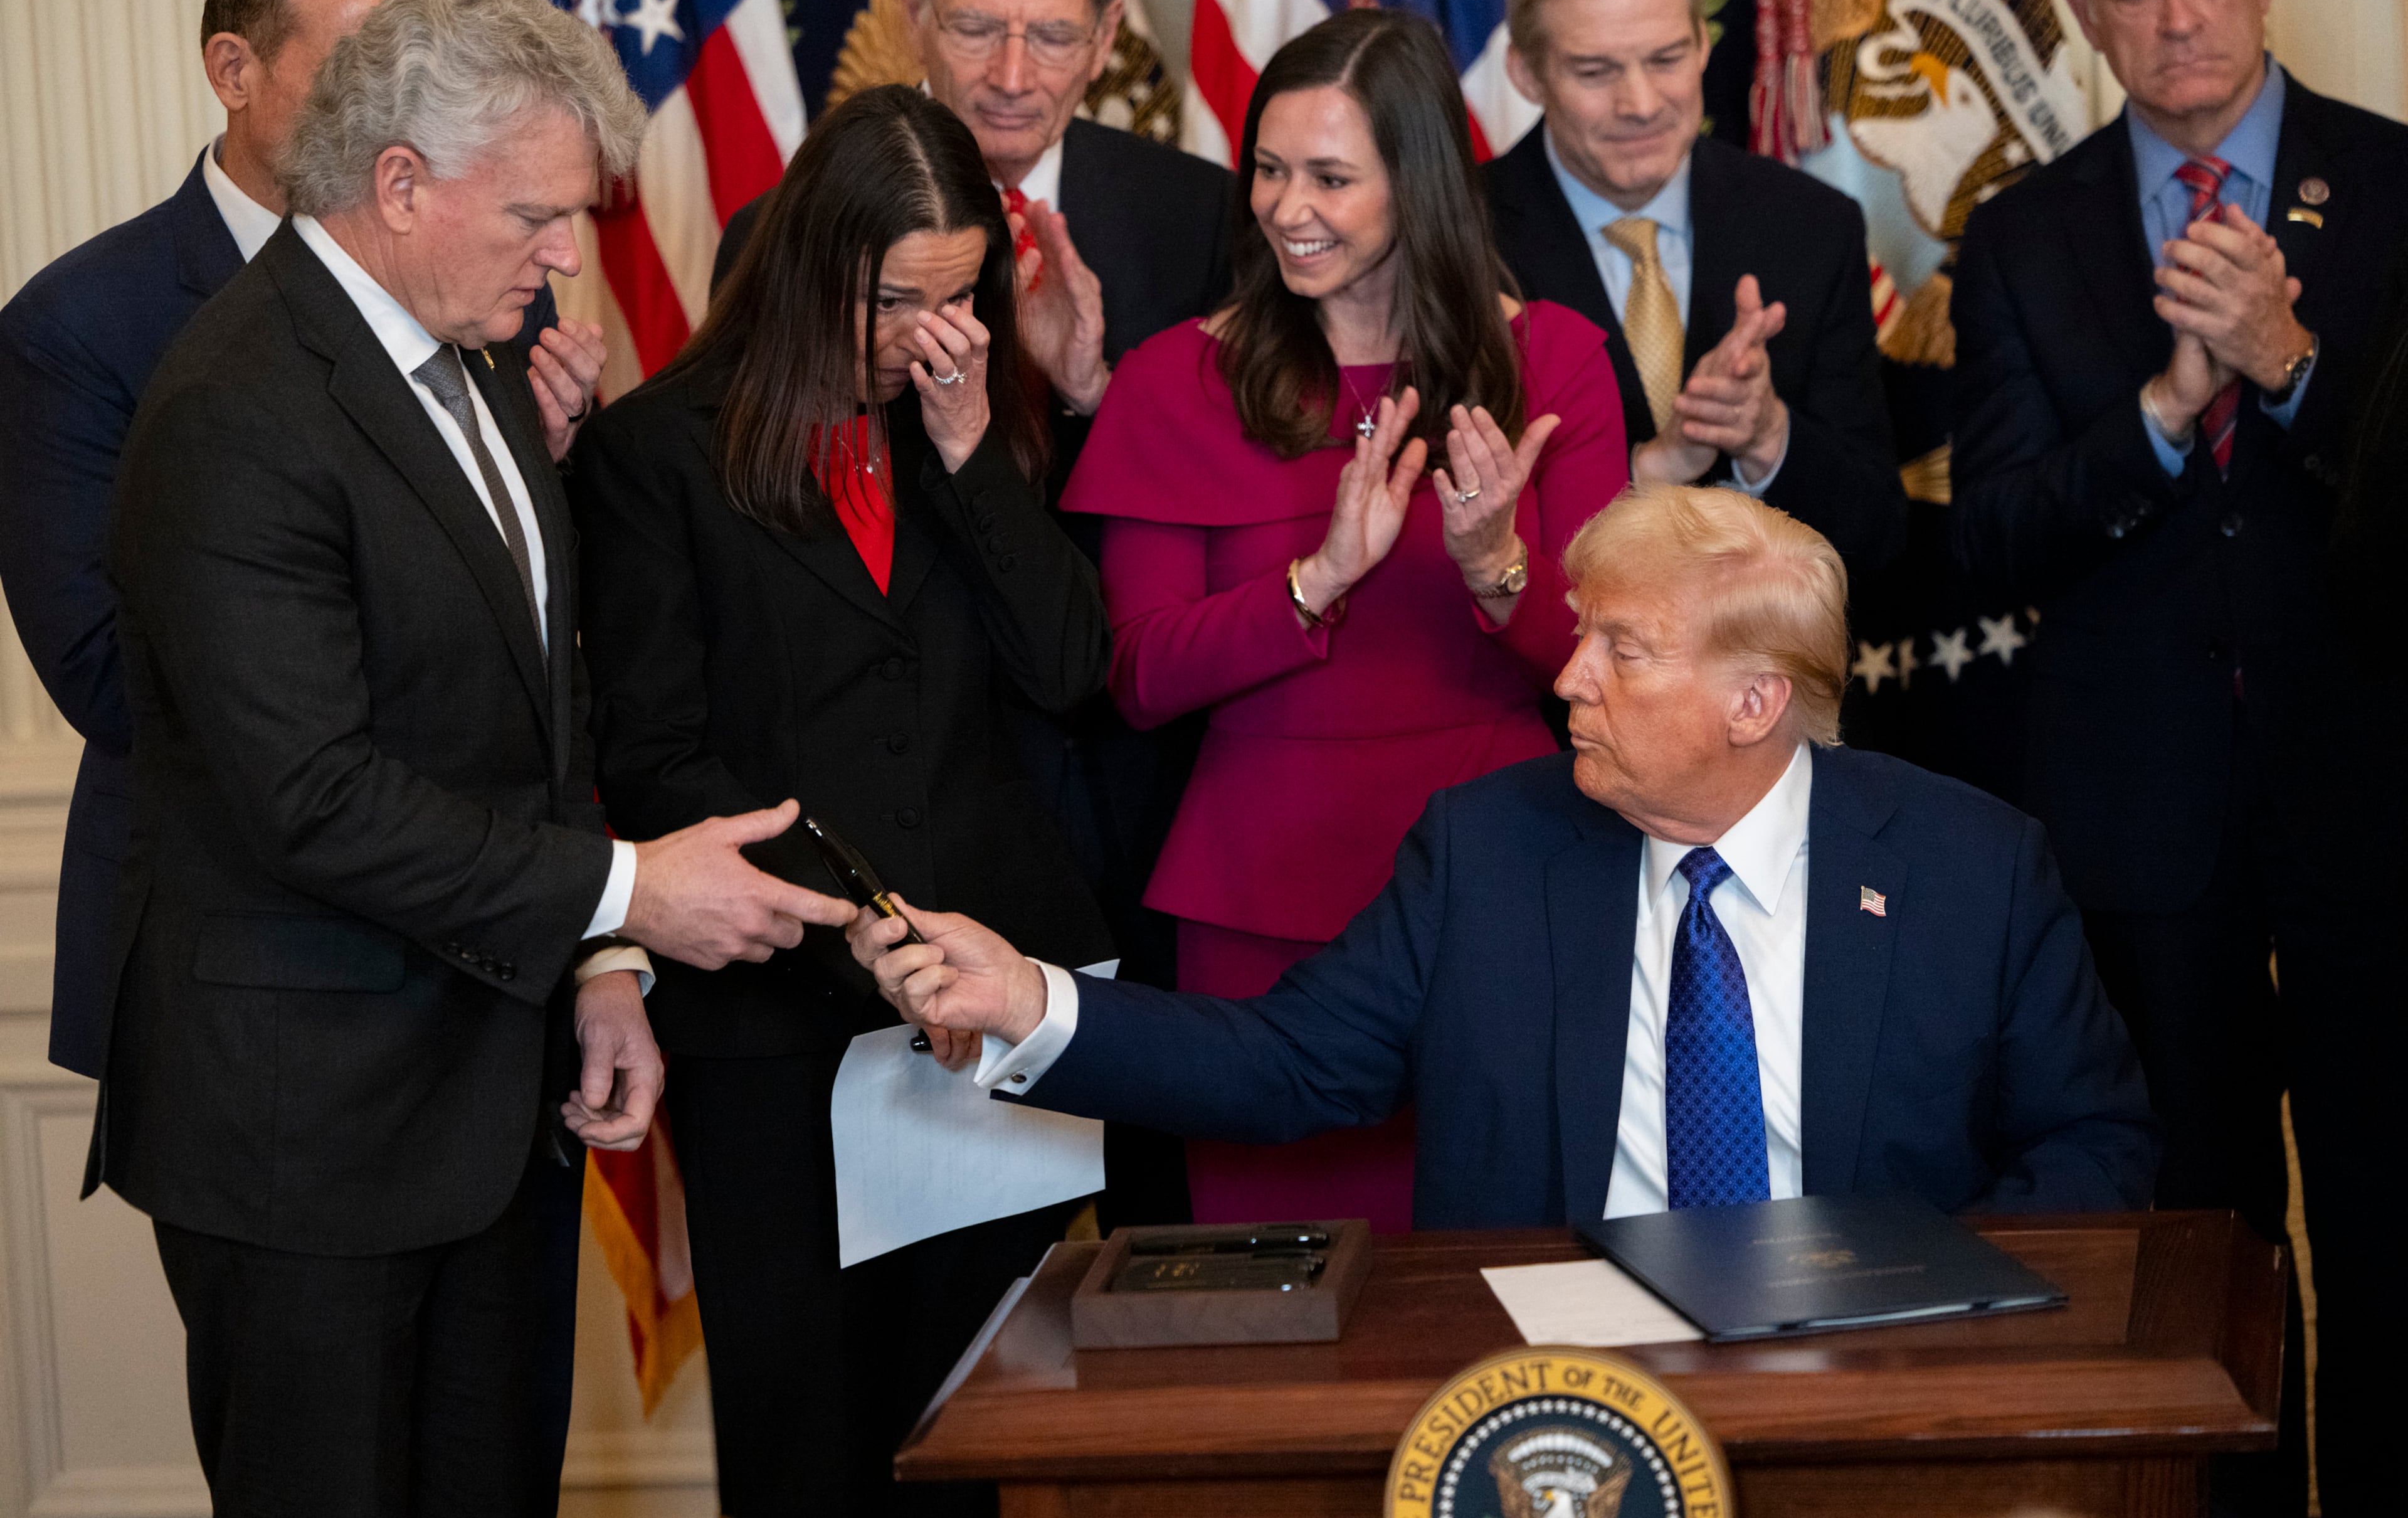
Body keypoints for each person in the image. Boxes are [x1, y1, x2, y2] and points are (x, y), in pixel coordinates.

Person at [93, 0, 847, 1518]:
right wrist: (631, 893)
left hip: (494, 1106)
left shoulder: (485, 368)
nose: (570, 256)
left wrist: (599, 969)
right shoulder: (235, 403)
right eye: (539, 217)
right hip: (306, 1140)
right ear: (399, 183)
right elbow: (312, 794)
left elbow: (541, 713)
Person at [850, 486, 2159, 1228]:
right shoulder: (1486, 845)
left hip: (1871, 1375)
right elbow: (1290, 1060)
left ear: (1755, 701)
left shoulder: (1970, 867)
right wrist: (1033, 997)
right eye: (1582, 635)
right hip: (1547, 1388)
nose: (1571, 676)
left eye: (1623, 650)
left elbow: (2095, 1139)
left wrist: (1944, 1301)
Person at [570, 85, 1114, 1518]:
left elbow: (1068, 669)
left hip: (992, 1009)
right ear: (816, 265)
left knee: (996, 1433)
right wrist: (861, 929)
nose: (928, 332)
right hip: (782, 1028)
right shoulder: (656, 454)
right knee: (811, 1437)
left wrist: (967, 444)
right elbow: (660, 753)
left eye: (958, 298)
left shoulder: (960, 416)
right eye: (896, 302)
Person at [1950, 0, 2408, 1518]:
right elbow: (1992, 529)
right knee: (2192, 1248)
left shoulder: (2397, 186)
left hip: (2369, 813)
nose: (2175, 17)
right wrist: (2157, 414)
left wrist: (2284, 365)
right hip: (2142, 830)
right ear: (2079, 10)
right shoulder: (2018, 235)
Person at [0, 0, 606, 1084]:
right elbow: (104, 671)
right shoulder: (77, 329)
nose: (403, 95)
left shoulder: (482, 281)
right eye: (368, 58)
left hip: (475, 960)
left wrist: (537, 460)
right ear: (234, 70)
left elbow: (510, 607)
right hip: (253, 977)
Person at [1057, 8, 1628, 1234]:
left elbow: (1608, 652)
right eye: (1269, 168)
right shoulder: (1174, 378)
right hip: (1262, 897)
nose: (1284, 205)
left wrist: (1498, 571)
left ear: (1417, 184)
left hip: (1511, 873)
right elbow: (1140, 673)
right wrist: (1313, 580)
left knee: (1513, 1256)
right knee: (1282, 1299)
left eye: (1329, 176)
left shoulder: (1558, 359)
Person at [715, 0, 1233, 999]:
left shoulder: (1201, 218)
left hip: (1129, 795)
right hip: (895, 821)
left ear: (1105, 37)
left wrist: (1092, 394)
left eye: (1049, 35)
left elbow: (1217, 517)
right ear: (911, 12)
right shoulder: (779, 234)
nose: (1009, 75)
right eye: (975, 27)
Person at [1486, 0, 1906, 577]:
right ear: (1526, 72)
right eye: (1596, 71)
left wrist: (1768, 436)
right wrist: (1645, 470)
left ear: (1706, 43)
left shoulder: (1812, 227)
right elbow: (1444, 550)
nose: (1642, 103)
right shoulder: (1457, 239)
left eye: (1666, 59)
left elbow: (1877, 535)